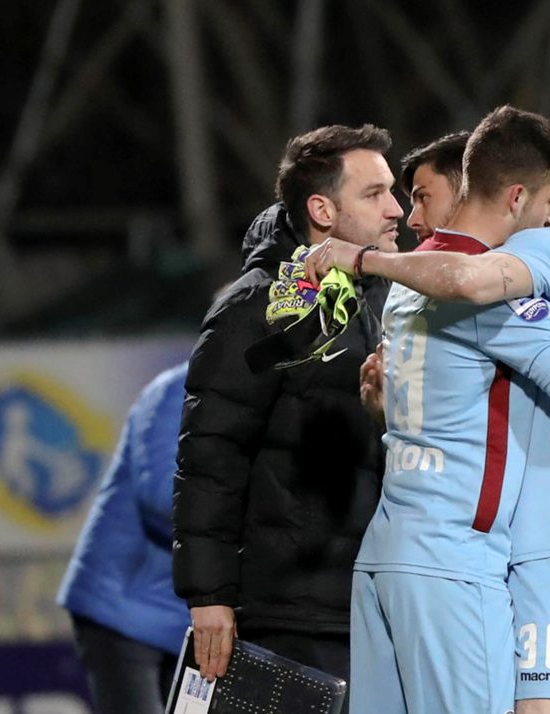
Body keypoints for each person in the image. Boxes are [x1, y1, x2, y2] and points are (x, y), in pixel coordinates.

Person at [301, 107, 550, 714]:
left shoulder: (406, 288)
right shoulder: (491, 300)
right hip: (454, 562)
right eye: (549, 202)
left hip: (384, 554)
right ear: (517, 197)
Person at [172, 124, 404, 707]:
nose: (396, 209)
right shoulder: (259, 305)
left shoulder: (386, 297)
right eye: (374, 194)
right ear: (322, 210)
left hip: (373, 598)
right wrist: (210, 595)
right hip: (290, 609)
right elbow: (212, 453)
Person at [58, 361, 191, 714]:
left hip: (186, 617)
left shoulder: (257, 398)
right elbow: (159, 493)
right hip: (123, 603)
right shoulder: (177, 390)